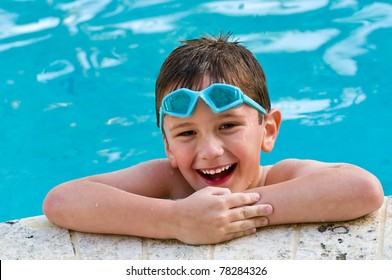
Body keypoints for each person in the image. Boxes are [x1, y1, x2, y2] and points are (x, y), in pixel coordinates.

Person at [43, 33, 384, 245]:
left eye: (228, 126)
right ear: (168, 147)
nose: (209, 151)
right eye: (187, 133)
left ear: (268, 131)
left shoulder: (283, 176)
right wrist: (175, 220)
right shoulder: (168, 179)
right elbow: (62, 200)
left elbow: (363, 189)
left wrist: (233, 213)